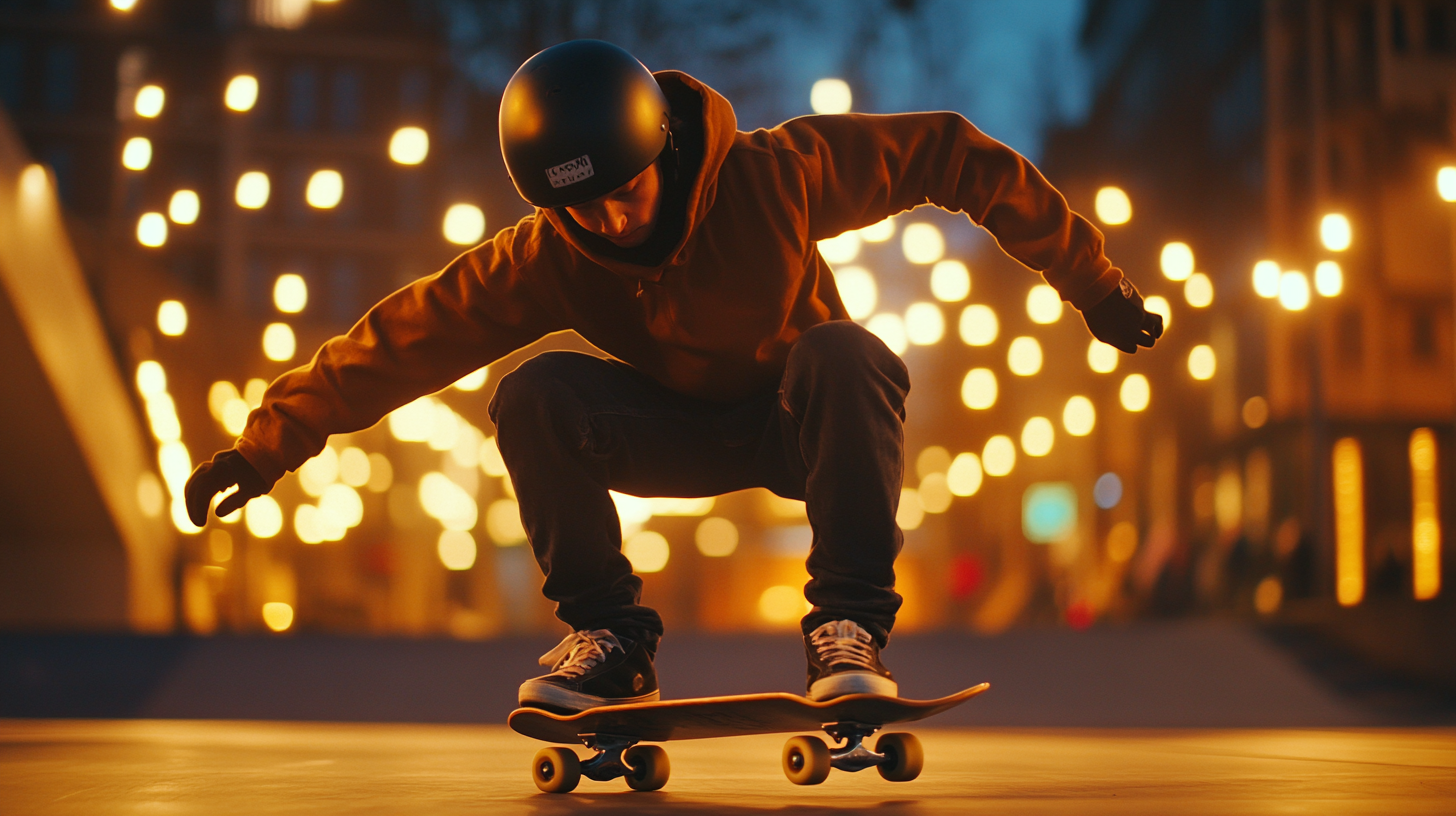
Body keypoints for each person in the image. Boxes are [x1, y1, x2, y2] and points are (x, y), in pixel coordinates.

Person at [185, 40, 1162, 714]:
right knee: (532, 395)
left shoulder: (778, 174)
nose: (611, 222)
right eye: (585, 211)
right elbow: (409, 333)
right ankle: (611, 639)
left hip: (802, 425)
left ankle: (848, 627)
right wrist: (269, 442)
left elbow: (954, 154)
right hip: (670, 437)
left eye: (626, 192)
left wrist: (1092, 283)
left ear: (661, 146)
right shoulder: (548, 257)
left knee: (846, 351)